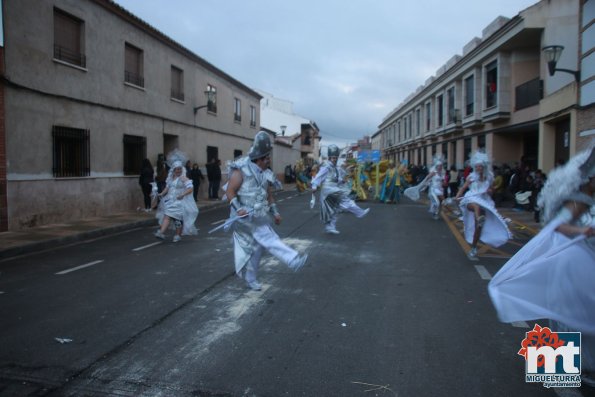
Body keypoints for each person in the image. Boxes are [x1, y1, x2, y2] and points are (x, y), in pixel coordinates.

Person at [488, 146, 595, 385]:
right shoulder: (580, 201)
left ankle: (575, 369)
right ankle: (555, 371)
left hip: (587, 264)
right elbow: (556, 226)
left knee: (583, 316)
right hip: (571, 265)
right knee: (567, 317)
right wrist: (583, 230)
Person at [225, 131, 308, 291]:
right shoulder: (240, 170)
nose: (269, 159)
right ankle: (293, 259)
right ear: (259, 158)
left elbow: (268, 196)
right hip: (244, 219)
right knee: (268, 237)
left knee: (256, 250)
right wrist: (239, 209)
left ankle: (250, 279)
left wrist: (275, 212)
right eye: (267, 157)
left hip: (258, 215)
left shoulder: (266, 174)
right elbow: (230, 191)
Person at [455, 151, 511, 260]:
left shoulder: (489, 178)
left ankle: (474, 247)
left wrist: (490, 191)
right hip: (470, 199)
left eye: (480, 166)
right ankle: (478, 217)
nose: (478, 168)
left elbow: (491, 191)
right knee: (476, 206)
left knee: (478, 228)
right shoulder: (471, 177)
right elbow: (463, 188)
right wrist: (457, 196)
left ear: (484, 167)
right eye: (477, 166)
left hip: (483, 202)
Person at [310, 145, 370, 234]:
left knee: (334, 209)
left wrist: (342, 181)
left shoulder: (334, 167)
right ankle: (359, 212)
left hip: (332, 188)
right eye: (333, 158)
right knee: (344, 198)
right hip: (329, 190)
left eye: (336, 158)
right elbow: (318, 177)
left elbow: (335, 178)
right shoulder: (326, 166)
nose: (334, 159)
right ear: (329, 157)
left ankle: (330, 227)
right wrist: (314, 186)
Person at [154, 152, 199, 242]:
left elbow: (190, 188)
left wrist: (182, 194)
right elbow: (167, 188)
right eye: (176, 169)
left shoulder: (183, 178)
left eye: (179, 169)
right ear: (173, 170)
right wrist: (161, 193)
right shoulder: (170, 179)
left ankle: (177, 235)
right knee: (167, 216)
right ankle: (161, 232)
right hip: (170, 200)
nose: (178, 171)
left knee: (177, 219)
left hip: (179, 202)